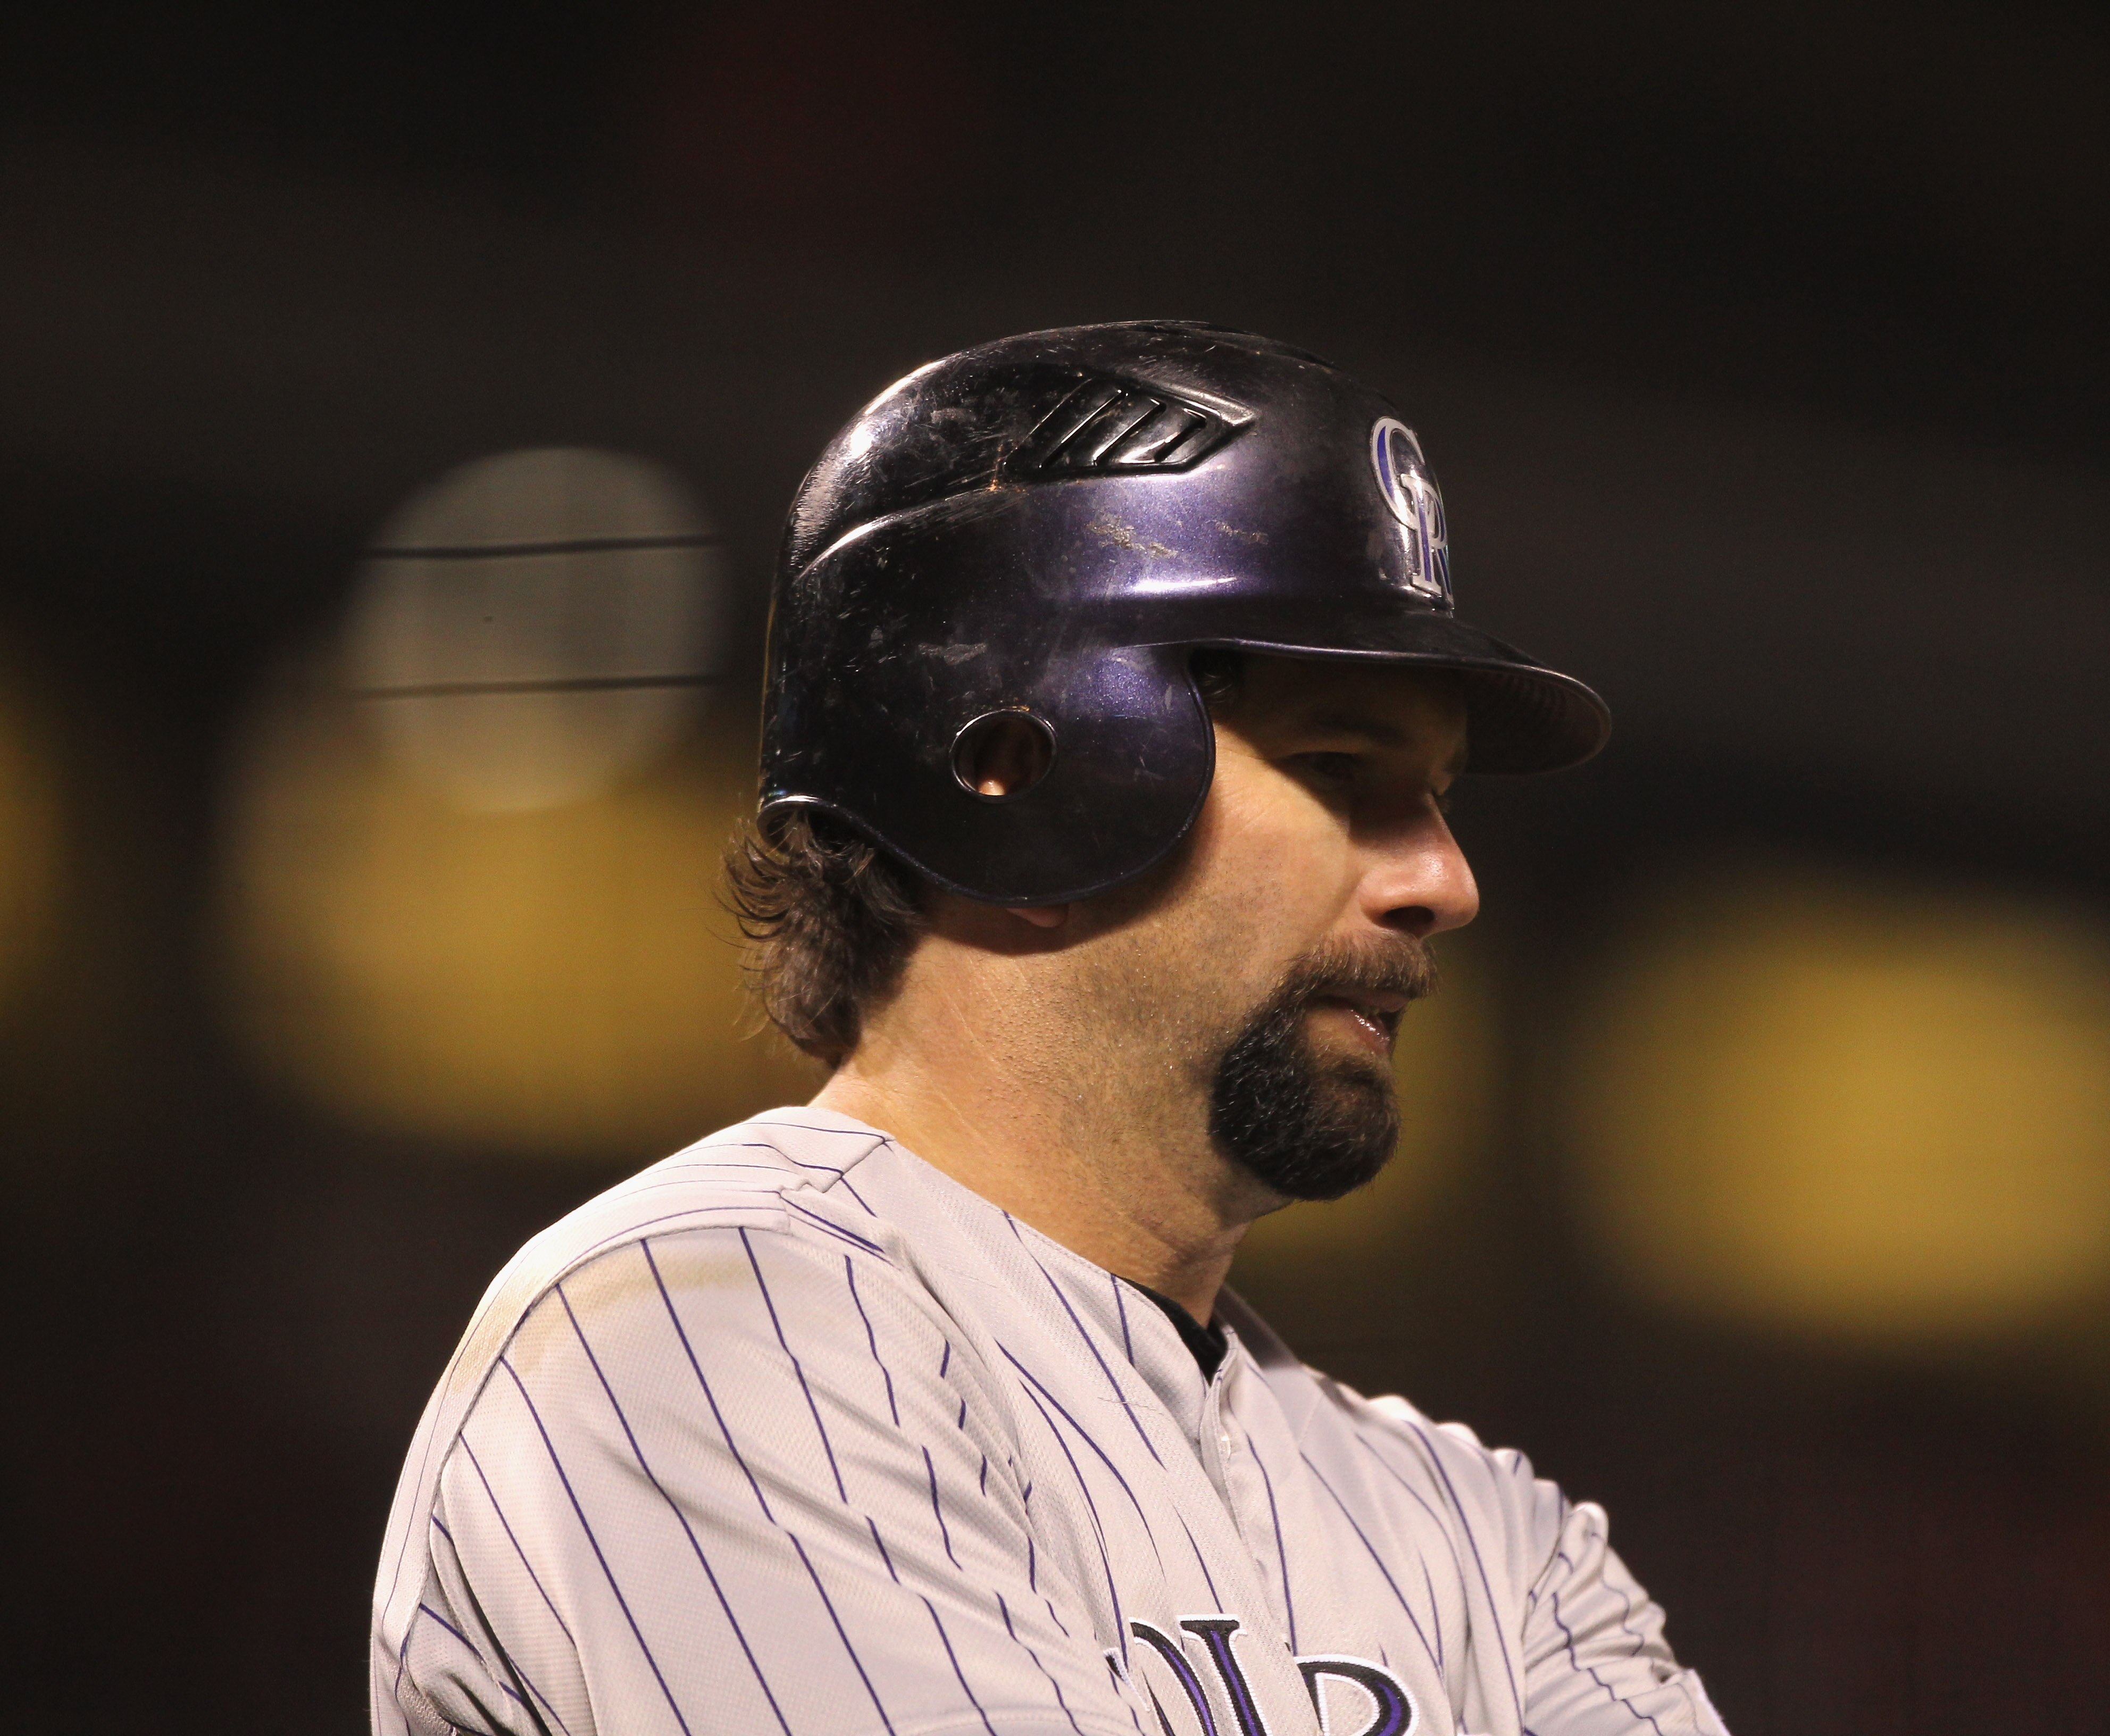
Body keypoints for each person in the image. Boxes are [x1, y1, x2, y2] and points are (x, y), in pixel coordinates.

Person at [369, 323, 1725, 1736]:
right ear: (1013, 768)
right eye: (1344, 769)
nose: (1443, 882)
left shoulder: (1488, 1543)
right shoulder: (700, 1329)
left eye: (1438, 797)